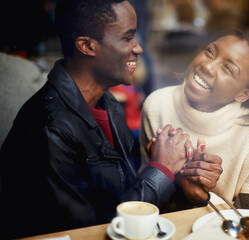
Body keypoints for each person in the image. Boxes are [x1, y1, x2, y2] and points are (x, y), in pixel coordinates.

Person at [0, 0, 195, 239]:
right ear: (87, 46)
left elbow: (121, 197)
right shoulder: (49, 128)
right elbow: (90, 232)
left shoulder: (109, 104)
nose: (138, 48)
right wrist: (160, 171)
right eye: (127, 38)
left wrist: (180, 177)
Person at [140, 29, 249, 205]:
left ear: (243, 94)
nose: (207, 66)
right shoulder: (157, 105)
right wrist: (167, 172)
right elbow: (145, 200)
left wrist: (202, 197)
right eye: (210, 52)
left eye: (228, 68)